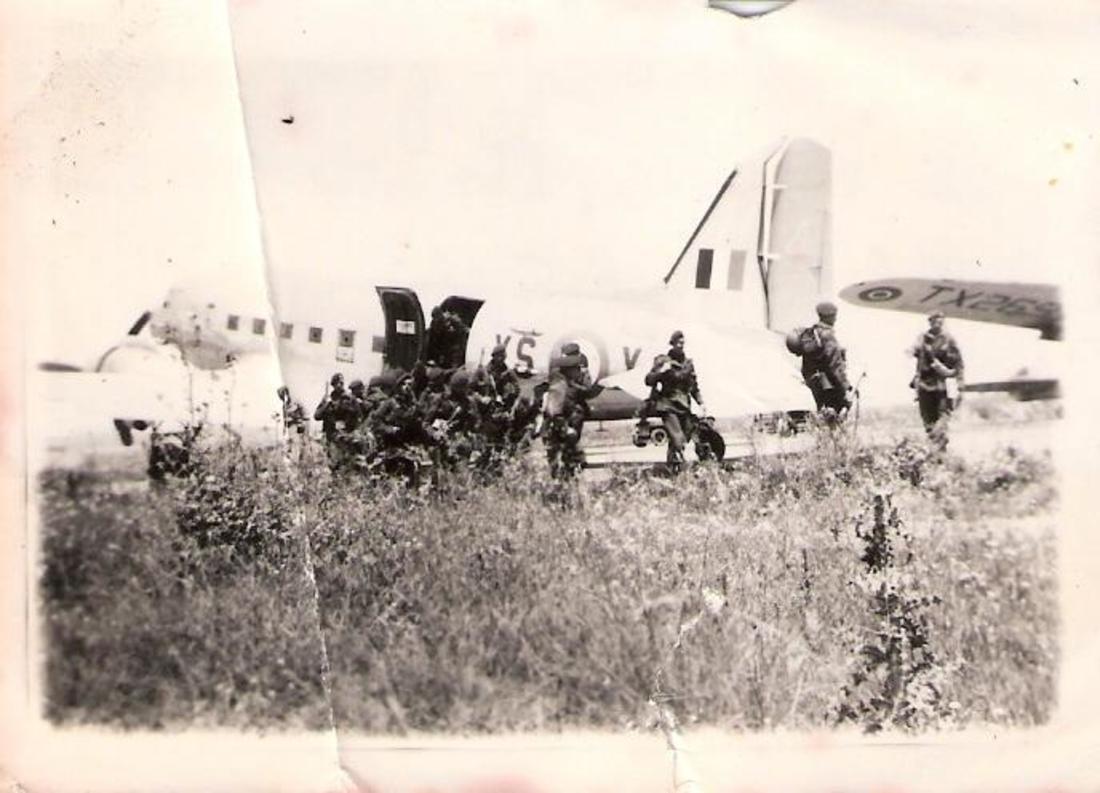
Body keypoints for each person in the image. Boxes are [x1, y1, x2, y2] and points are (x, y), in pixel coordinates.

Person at [643, 330, 709, 472]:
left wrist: (701, 403)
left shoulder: (688, 364)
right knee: (678, 439)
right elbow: (648, 380)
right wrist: (661, 371)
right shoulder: (662, 361)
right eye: (678, 343)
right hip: (667, 405)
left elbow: (693, 387)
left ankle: (673, 470)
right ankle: (678, 470)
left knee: (680, 441)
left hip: (684, 406)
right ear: (672, 344)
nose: (680, 346)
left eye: (683, 343)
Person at [541, 342, 599, 479]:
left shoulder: (579, 372)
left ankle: (567, 472)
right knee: (562, 446)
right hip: (562, 415)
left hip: (572, 412)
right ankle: (564, 473)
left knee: (568, 445)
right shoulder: (558, 378)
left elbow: (587, 389)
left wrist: (574, 385)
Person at [789, 301, 852, 423]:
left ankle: (823, 437)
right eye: (834, 315)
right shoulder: (827, 335)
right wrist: (845, 386)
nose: (836, 318)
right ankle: (832, 440)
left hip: (814, 382)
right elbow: (835, 364)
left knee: (824, 413)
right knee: (836, 417)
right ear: (830, 316)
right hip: (830, 384)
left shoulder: (811, 333)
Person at [910, 311, 964, 450]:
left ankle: (941, 451)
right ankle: (935, 451)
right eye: (933, 320)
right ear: (930, 322)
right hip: (924, 384)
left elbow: (958, 364)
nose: (936, 323)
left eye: (939, 321)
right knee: (928, 420)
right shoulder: (922, 338)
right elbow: (914, 352)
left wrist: (960, 385)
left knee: (942, 420)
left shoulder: (949, 340)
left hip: (944, 385)